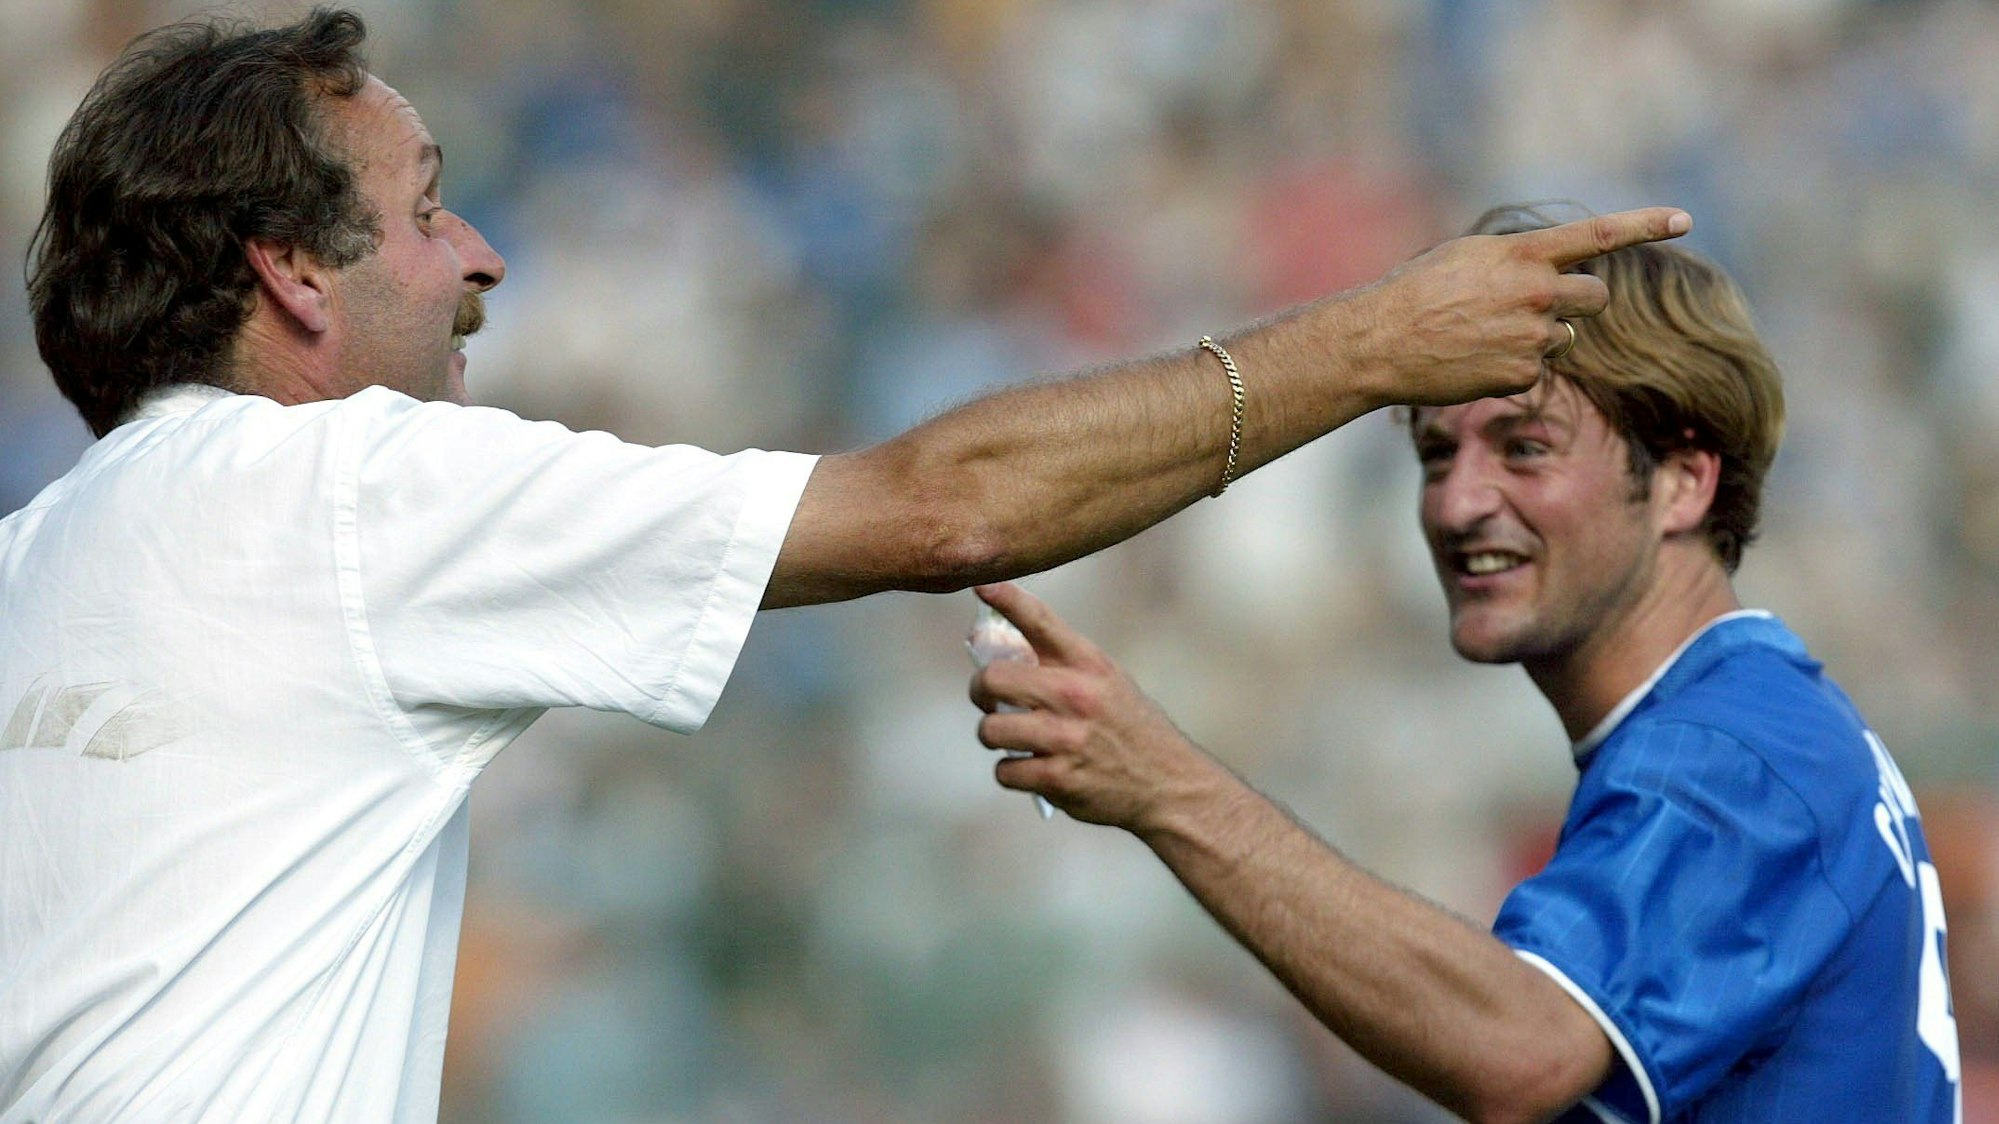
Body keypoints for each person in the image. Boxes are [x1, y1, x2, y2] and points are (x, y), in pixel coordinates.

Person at [0, 10, 1688, 1123]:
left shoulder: (33, 559)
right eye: (431, 206)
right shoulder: (346, 483)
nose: (479, 256)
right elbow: (951, 503)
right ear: (291, 273)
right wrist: (1382, 336)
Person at [968, 205, 1961, 1123]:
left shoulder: (1732, 747)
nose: (1456, 503)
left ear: (1682, 481)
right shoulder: (1751, 723)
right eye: (1438, 454)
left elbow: (1518, 1048)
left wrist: (1160, 782)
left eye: (1524, 447)